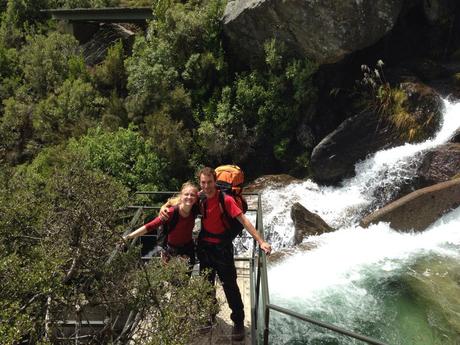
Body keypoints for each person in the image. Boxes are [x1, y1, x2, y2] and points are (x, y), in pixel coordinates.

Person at [161, 167, 272, 341]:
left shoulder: (226, 200)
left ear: (215, 181)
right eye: (203, 183)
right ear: (200, 183)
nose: (206, 186)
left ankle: (238, 321)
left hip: (222, 248)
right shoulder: (200, 197)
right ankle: (209, 314)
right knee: (206, 283)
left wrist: (261, 241)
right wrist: (163, 207)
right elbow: (178, 201)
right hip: (205, 247)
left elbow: (244, 220)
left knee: (230, 285)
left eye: (209, 182)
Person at [124, 182, 199, 270]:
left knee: (185, 279)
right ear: (181, 196)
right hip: (171, 251)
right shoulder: (171, 212)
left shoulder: (195, 209)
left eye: (192, 195)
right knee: (171, 280)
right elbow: (150, 226)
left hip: (187, 250)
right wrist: (129, 237)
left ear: (196, 198)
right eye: (186, 194)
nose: (189, 197)